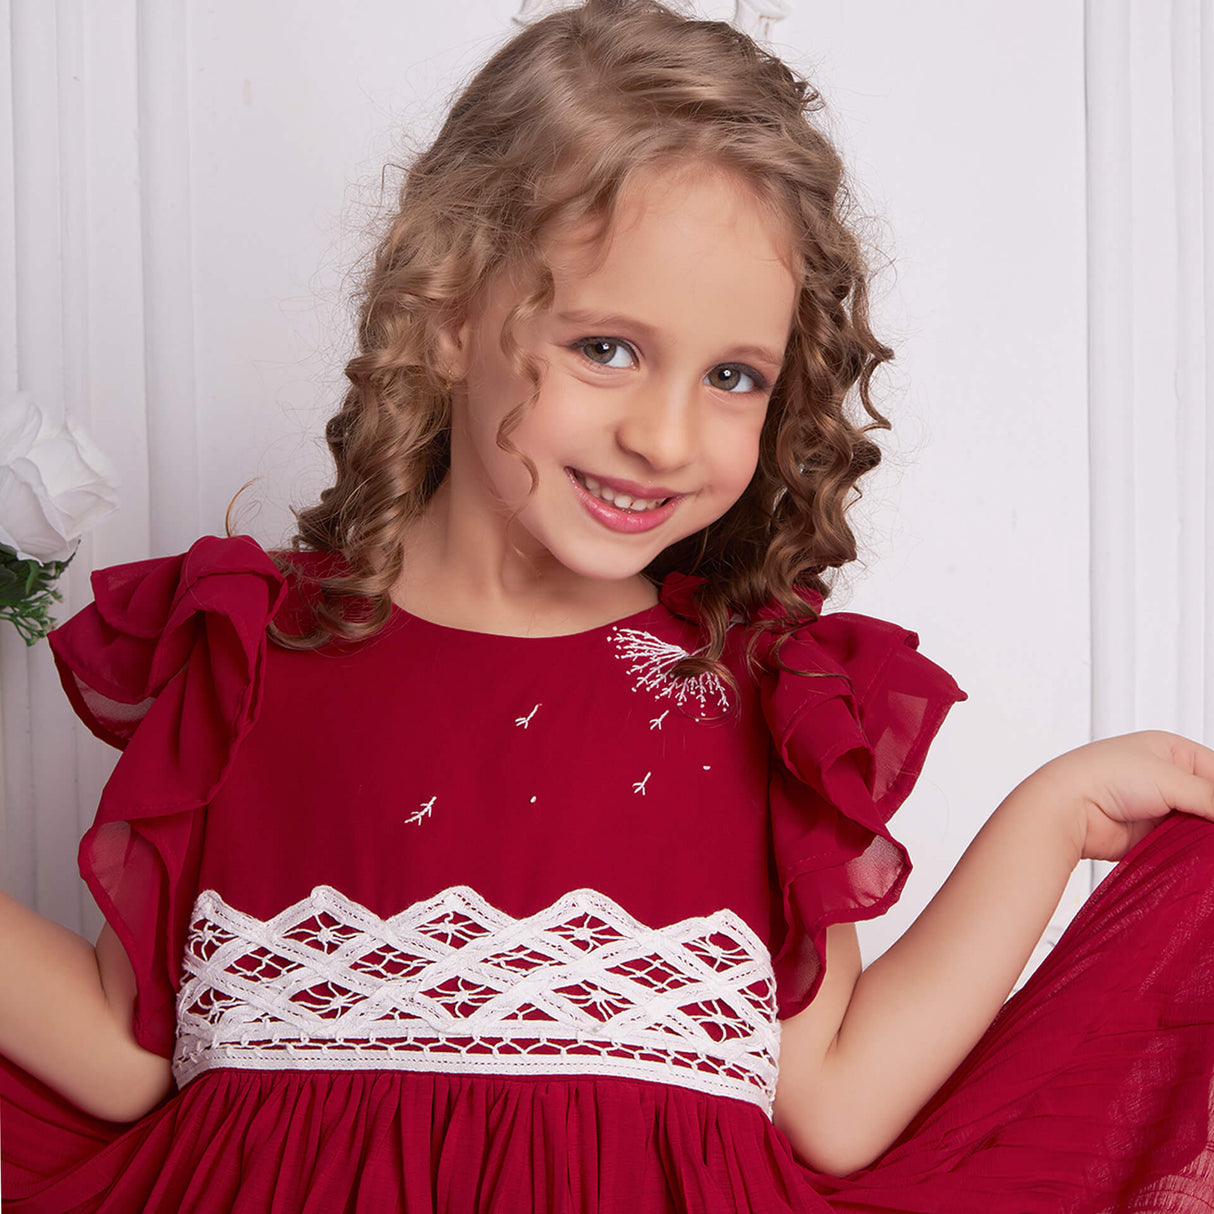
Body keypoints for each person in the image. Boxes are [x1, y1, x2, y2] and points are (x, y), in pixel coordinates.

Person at [3, 1, 1214, 1210]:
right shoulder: (249, 653)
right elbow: (122, 1051)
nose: (662, 434)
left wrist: (1048, 817)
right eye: (606, 348)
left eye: (732, 374)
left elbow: (836, 1106)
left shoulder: (764, 698)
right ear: (446, 316)